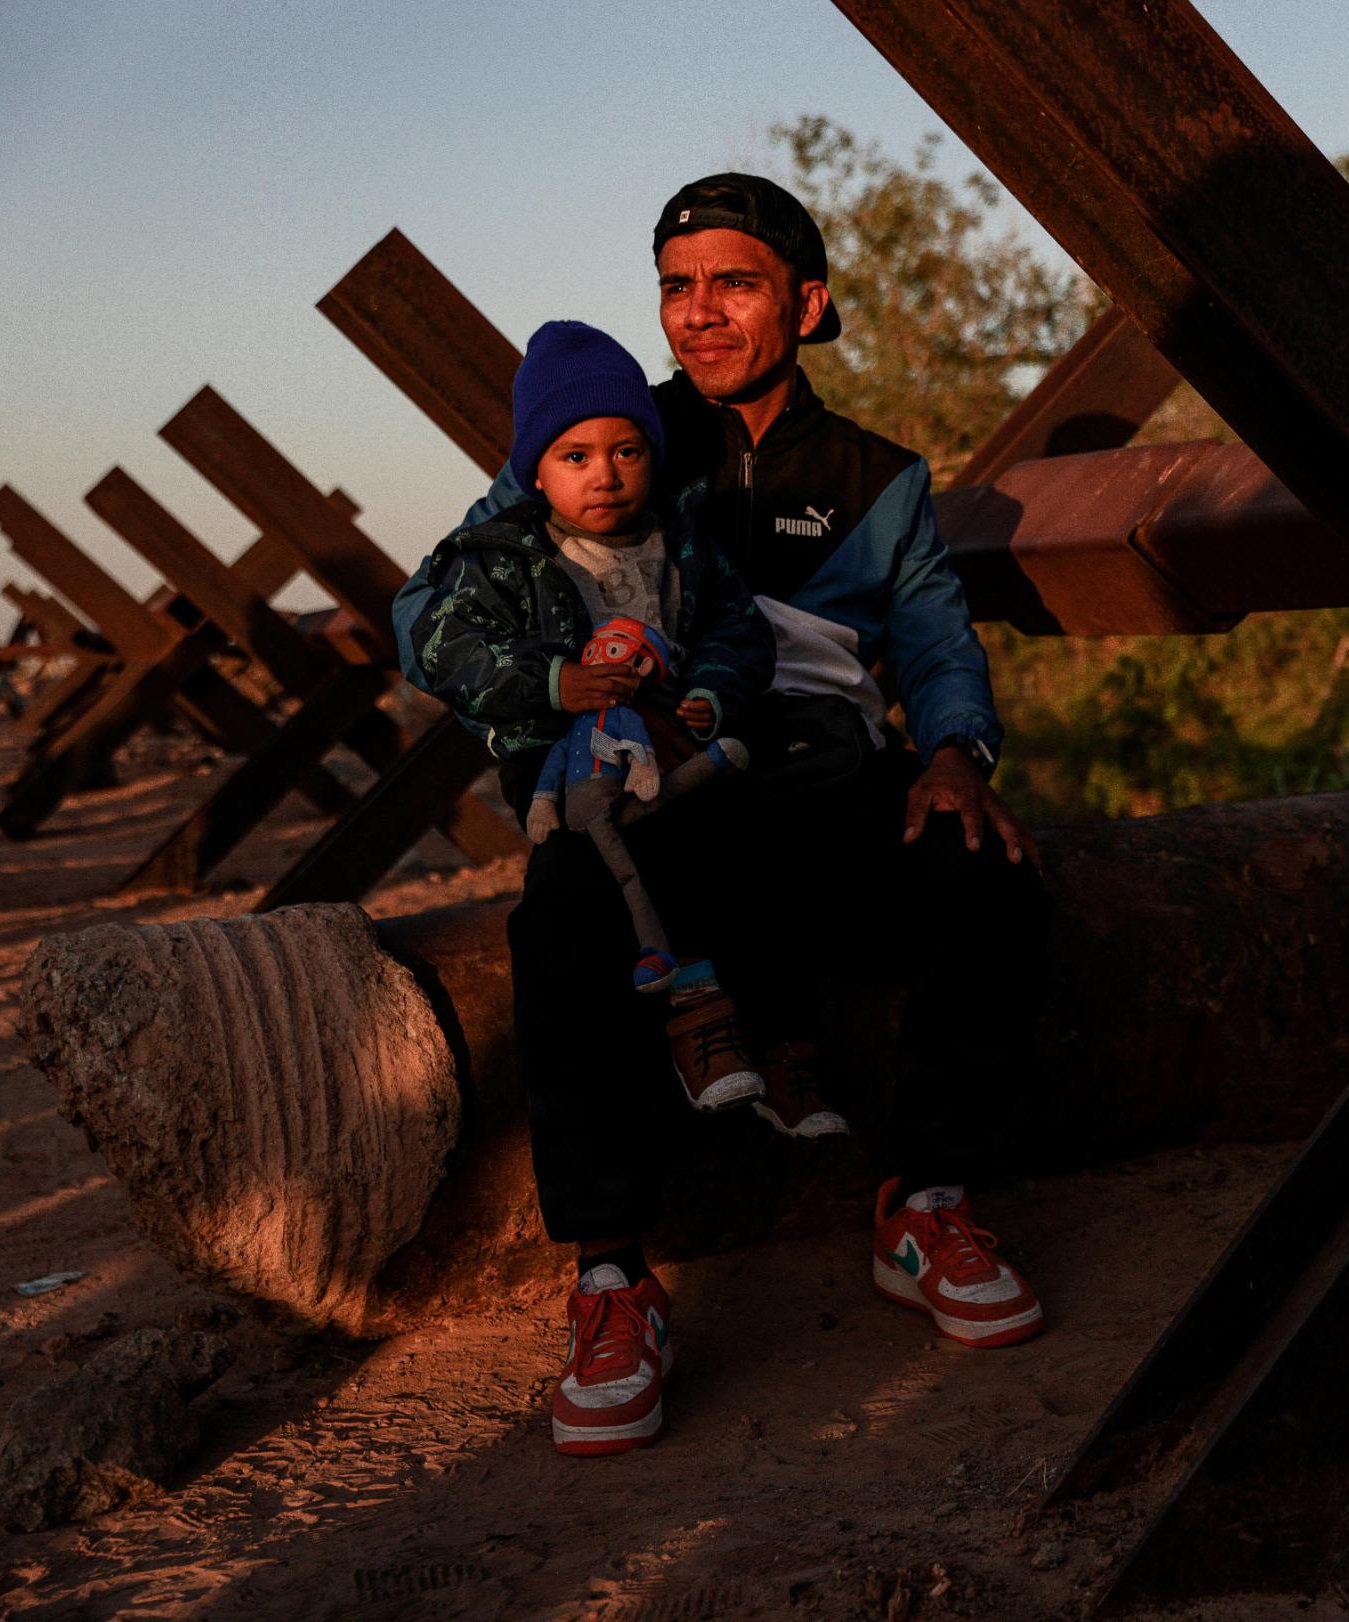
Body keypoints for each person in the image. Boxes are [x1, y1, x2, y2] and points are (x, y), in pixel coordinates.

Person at [394, 177, 1052, 1458]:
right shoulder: (601, 431)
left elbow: (931, 642)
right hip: (659, 779)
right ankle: (611, 1279)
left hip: (818, 774)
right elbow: (431, 605)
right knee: (568, 910)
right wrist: (544, 687)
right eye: (675, 286)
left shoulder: (879, 477)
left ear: (803, 302)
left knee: (984, 875)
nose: (697, 315)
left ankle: (923, 1201)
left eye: (731, 283)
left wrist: (958, 755)